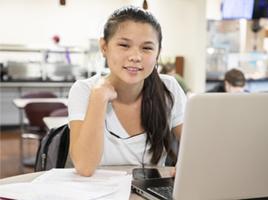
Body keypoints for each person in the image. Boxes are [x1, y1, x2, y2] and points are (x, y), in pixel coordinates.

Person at [68, 6, 186, 177]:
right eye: (124, 45)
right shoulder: (84, 90)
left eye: (147, 48)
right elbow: (85, 167)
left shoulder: (169, 88)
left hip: (151, 193)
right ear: (104, 47)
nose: (135, 56)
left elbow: (197, 149)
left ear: (158, 52)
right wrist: (98, 98)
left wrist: (187, 167)